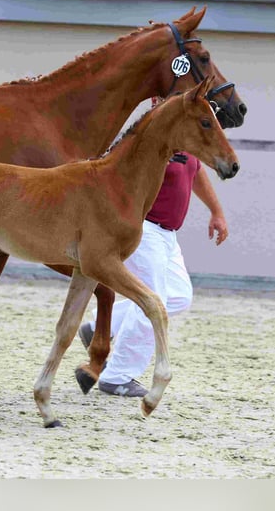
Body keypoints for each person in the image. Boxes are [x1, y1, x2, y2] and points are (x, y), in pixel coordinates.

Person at [78, 144, 229, 397]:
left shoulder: (184, 135)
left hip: (169, 236)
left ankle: (101, 326)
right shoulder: (149, 137)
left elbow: (196, 171)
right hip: (144, 229)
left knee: (179, 296)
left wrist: (216, 211)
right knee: (153, 300)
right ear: (155, 100)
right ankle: (117, 376)